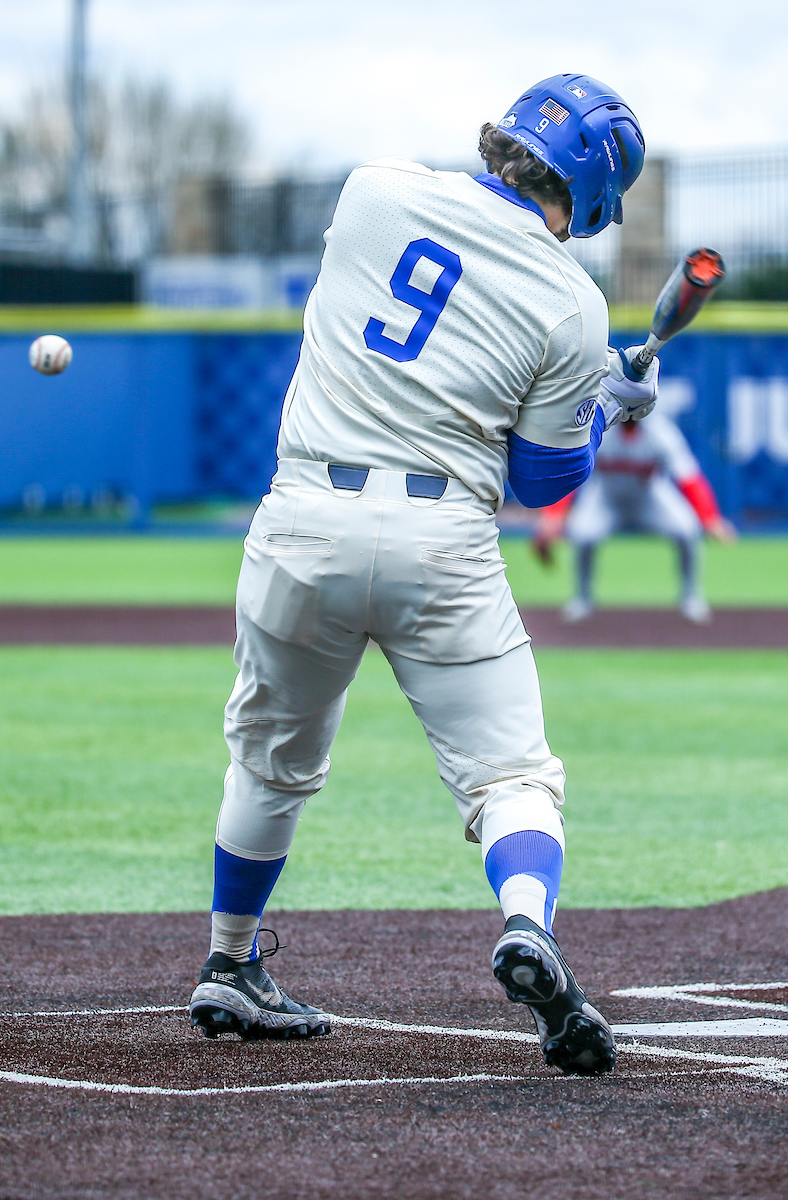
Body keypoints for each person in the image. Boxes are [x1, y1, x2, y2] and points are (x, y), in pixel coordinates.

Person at [188, 74, 656, 1077]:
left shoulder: (372, 189)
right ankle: (525, 923)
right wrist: (601, 406)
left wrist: (589, 391)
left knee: (268, 766)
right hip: (441, 542)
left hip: (304, 519)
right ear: (592, 194)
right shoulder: (573, 305)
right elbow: (540, 480)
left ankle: (229, 962)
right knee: (511, 776)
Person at [533, 409, 736, 622]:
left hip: (649, 497)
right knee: (583, 535)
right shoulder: (597, 428)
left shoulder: (662, 432)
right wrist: (553, 516)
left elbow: (688, 476)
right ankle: (582, 599)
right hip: (605, 498)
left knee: (687, 529)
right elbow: (571, 471)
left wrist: (710, 518)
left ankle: (691, 597)